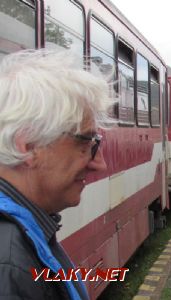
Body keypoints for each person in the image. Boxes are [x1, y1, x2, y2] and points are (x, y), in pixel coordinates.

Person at [0, 49, 115, 299]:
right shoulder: (9, 264)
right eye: (86, 142)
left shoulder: (22, 233)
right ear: (30, 145)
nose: (99, 164)